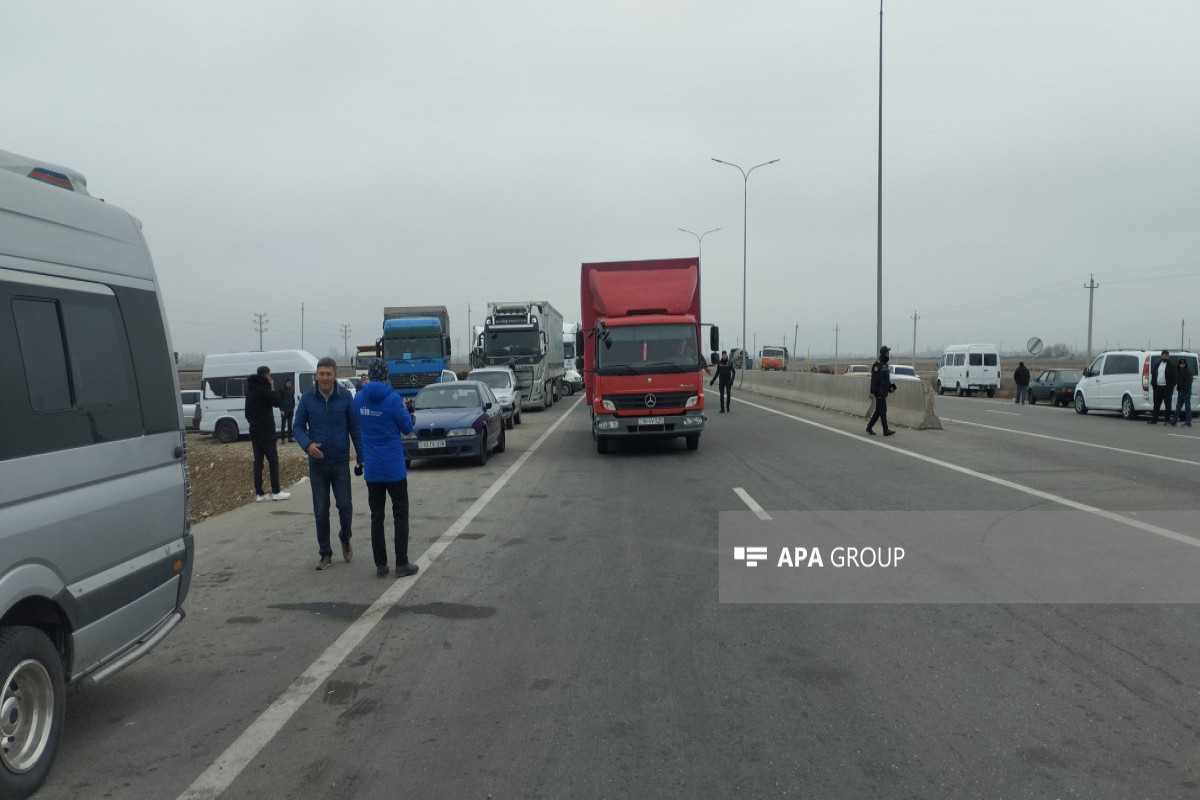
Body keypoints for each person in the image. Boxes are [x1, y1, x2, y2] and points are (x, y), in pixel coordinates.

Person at [294, 357, 364, 570]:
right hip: (317, 466)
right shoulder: (307, 399)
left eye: (328, 374)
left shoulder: (345, 397)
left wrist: (361, 456)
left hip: (340, 462)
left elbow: (354, 427)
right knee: (321, 510)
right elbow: (297, 427)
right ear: (316, 375)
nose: (324, 378)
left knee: (345, 507)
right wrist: (308, 446)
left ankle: (345, 537)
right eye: (321, 374)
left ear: (335, 375)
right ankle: (325, 553)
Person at [354, 359, 420, 578]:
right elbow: (408, 427)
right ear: (386, 375)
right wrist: (405, 410)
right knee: (400, 514)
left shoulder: (359, 399)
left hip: (372, 469)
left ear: (369, 376)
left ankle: (380, 565)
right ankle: (401, 564)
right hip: (393, 468)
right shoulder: (393, 400)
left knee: (376, 516)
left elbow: (357, 421)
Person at [244, 365, 290, 502]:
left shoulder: (250, 391)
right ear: (267, 376)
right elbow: (277, 401)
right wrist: (272, 387)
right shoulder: (264, 389)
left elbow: (247, 413)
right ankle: (276, 491)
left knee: (258, 462)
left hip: (254, 431)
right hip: (266, 431)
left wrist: (253, 422)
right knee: (273, 460)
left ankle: (259, 494)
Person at [866, 345, 896, 436]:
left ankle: (869, 427)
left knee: (879, 411)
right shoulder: (877, 364)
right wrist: (871, 392)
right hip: (879, 391)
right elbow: (874, 379)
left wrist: (890, 387)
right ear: (883, 354)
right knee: (883, 410)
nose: (888, 355)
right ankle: (885, 430)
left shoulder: (885, 364)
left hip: (884, 391)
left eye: (888, 353)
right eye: (887, 353)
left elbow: (886, 379)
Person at [1148, 349, 1177, 425]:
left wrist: (1170, 386)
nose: (1165, 357)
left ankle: (1167, 420)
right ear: (1161, 356)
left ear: (1168, 357)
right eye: (1164, 355)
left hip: (1167, 388)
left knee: (1168, 404)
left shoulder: (1171, 366)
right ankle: (1154, 420)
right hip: (1158, 388)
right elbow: (1154, 375)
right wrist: (1154, 385)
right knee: (1156, 404)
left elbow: (1175, 377)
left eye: (1167, 356)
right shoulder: (1157, 365)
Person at [1172, 359, 1193, 427]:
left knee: (1187, 407)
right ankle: (1174, 421)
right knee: (1178, 407)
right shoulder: (1178, 372)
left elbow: (1189, 382)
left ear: (1185, 364)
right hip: (1180, 391)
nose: (1182, 365)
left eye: (1183, 364)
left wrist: (1184, 388)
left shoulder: (1188, 372)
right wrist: (1178, 388)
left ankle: (1188, 422)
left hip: (1186, 391)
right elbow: (1177, 381)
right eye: (1180, 364)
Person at [278, 377, 296, 443]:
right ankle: (283, 439)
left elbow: (293, 399)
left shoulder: (291, 390)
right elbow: (280, 401)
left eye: (290, 383)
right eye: (288, 383)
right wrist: (281, 410)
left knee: (290, 424)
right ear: (285, 383)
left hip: (290, 409)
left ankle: (290, 438)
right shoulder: (281, 390)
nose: (289, 384)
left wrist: (293, 407)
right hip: (284, 409)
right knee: (283, 424)